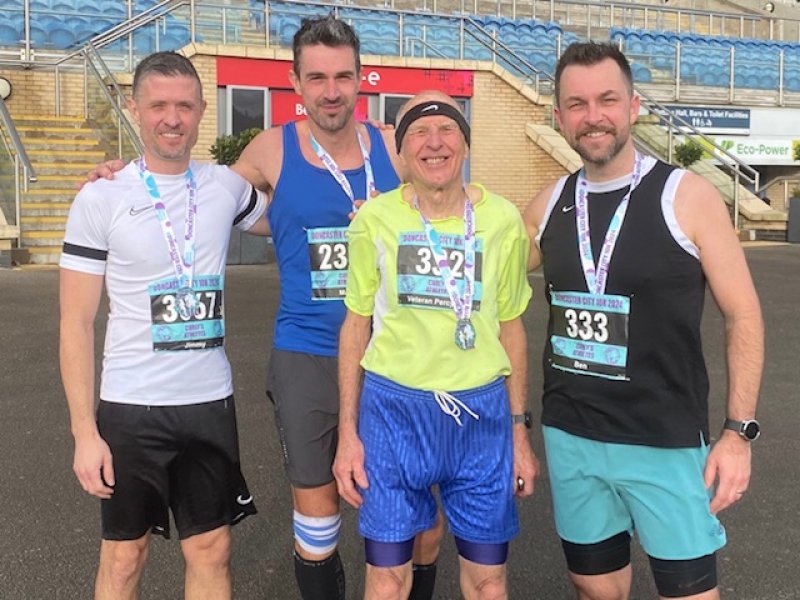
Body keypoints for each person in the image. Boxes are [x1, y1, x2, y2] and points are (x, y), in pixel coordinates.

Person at [84, 15, 443, 600]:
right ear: (296, 83)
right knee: (319, 516)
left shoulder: (392, 147)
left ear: (361, 79)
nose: (332, 90)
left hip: (397, 353)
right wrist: (125, 172)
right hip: (307, 352)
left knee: (418, 517)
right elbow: (189, 185)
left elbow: (446, 207)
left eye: (344, 76)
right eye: (317, 77)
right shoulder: (269, 150)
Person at [523, 42, 764, 600]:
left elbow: (744, 312)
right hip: (573, 433)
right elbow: (478, 260)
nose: (593, 116)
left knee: (688, 594)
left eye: (607, 99)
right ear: (559, 118)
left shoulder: (687, 196)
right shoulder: (551, 203)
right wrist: (391, 215)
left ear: (633, 106)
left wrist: (738, 433)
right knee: (594, 585)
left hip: (664, 439)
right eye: (577, 104)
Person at [60, 52, 264, 600]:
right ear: (134, 109)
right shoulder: (100, 197)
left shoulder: (225, 187)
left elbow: (293, 218)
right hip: (130, 406)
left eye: (184, 106)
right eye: (158, 106)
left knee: (212, 550)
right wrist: (85, 432)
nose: (171, 118)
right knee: (125, 558)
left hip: (208, 401)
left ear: (201, 111)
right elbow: (75, 322)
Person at [332, 90, 540, 600]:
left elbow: (512, 327)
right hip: (393, 414)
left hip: (481, 416)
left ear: (465, 144)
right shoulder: (374, 220)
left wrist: (518, 433)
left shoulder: (503, 221)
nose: (434, 143)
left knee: (489, 582)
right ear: (401, 153)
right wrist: (348, 433)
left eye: (446, 129)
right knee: (386, 581)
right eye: (418, 133)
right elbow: (355, 325)